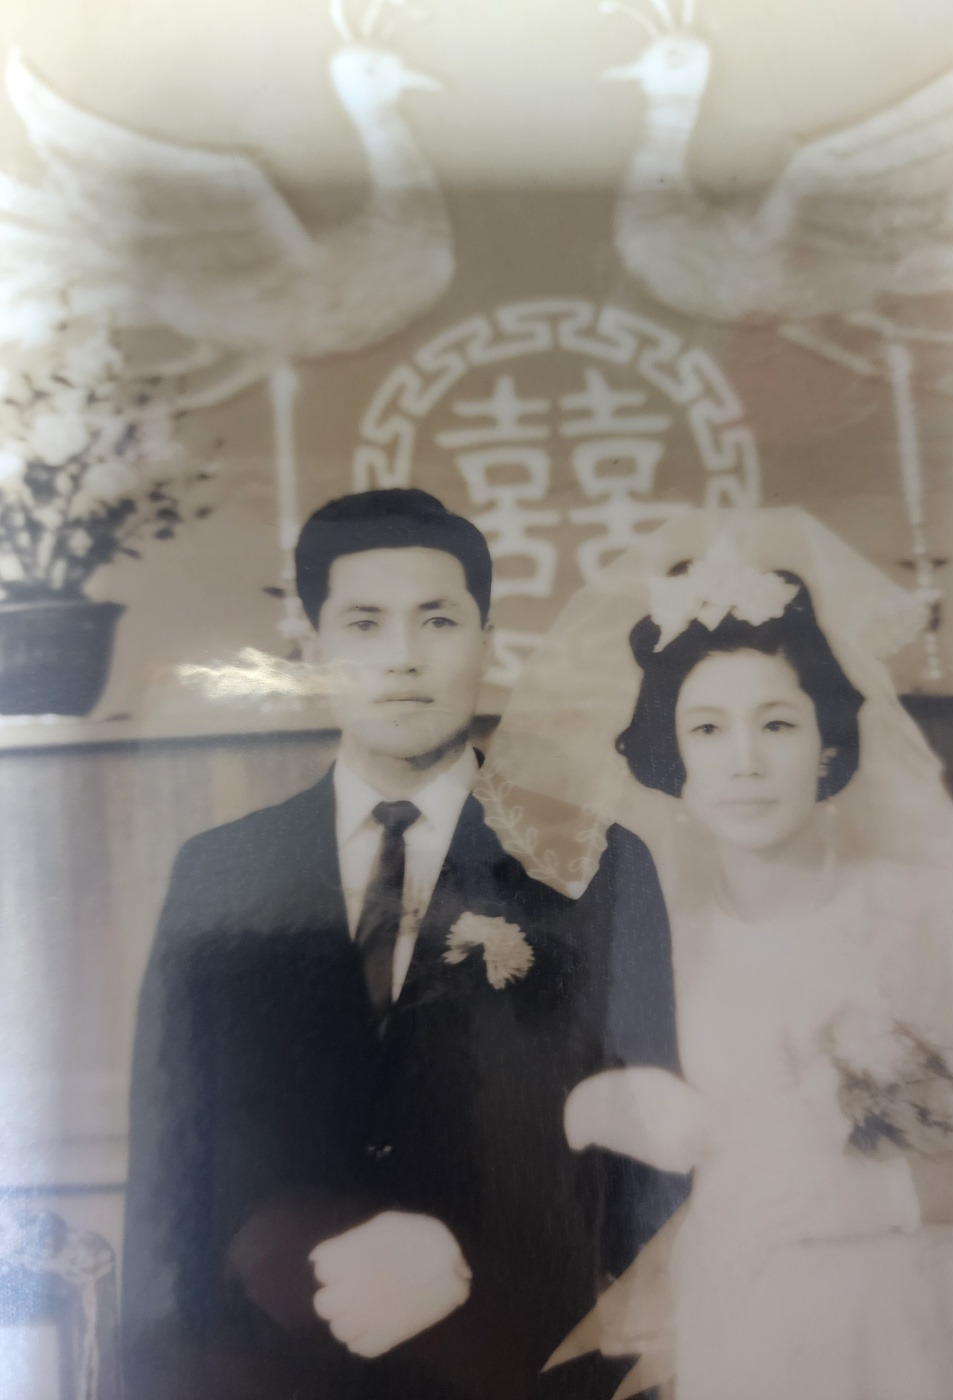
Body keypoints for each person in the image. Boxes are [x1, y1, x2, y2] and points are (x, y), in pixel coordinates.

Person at [121, 488, 687, 1400]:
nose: (403, 657)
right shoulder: (220, 871)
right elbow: (170, 1180)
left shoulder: (593, 865)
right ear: (313, 648)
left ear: (487, 640)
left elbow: (645, 1188)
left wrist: (472, 1268)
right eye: (364, 624)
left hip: (518, 1373)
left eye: (438, 620)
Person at [481, 506, 953, 1400]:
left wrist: (875, 1198)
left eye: (777, 724)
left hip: (934, 1327)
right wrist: (597, 1109)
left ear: (826, 745)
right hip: (747, 1330)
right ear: (673, 757)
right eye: (708, 729)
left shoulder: (933, 915)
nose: (744, 761)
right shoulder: (653, 946)